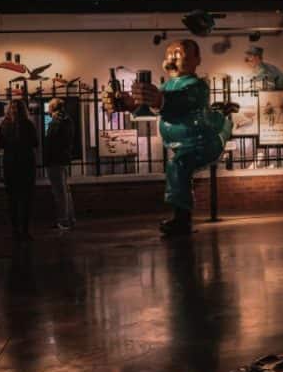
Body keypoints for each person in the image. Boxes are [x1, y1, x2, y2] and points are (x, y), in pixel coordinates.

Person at [103, 39, 233, 237]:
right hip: (182, 145)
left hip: (202, 142)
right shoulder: (167, 86)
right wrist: (127, 103)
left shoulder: (197, 86)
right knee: (178, 164)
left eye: (179, 53)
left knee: (177, 165)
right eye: (169, 53)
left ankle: (182, 220)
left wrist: (159, 99)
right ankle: (180, 218)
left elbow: (182, 100)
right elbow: (149, 108)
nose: (172, 57)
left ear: (197, 59)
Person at [0, 99, 38, 241]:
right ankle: (25, 230)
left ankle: (15, 230)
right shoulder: (28, 124)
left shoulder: (4, 124)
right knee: (26, 199)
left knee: (12, 199)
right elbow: (35, 143)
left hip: (10, 165)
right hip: (26, 164)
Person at [44, 97, 76, 231]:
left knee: (59, 191)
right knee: (65, 191)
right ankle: (69, 218)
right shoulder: (67, 119)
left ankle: (63, 220)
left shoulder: (56, 121)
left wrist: (46, 158)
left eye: (49, 107)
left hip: (55, 160)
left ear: (53, 108)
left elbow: (51, 142)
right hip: (63, 158)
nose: (47, 110)